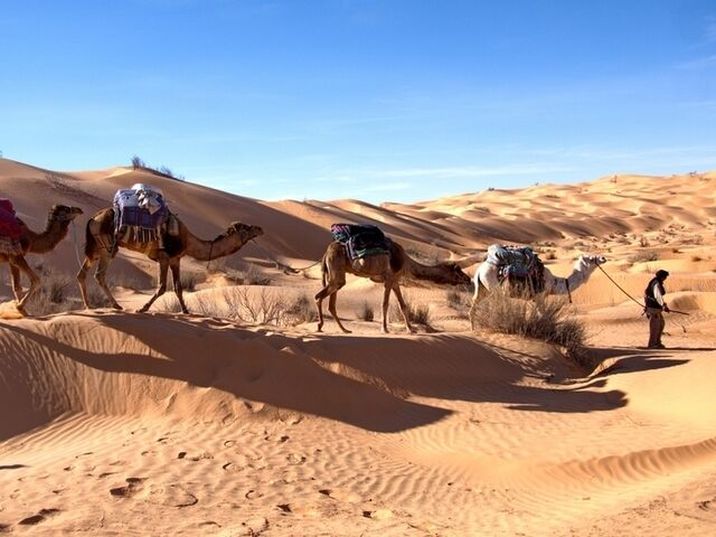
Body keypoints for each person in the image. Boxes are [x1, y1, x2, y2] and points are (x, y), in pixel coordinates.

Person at [644, 269, 670, 349]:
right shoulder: (656, 284)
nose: (665, 279)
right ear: (662, 277)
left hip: (655, 308)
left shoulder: (655, 282)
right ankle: (652, 344)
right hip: (653, 308)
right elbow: (657, 296)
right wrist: (663, 305)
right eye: (665, 277)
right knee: (655, 327)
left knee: (661, 324)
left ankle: (657, 342)